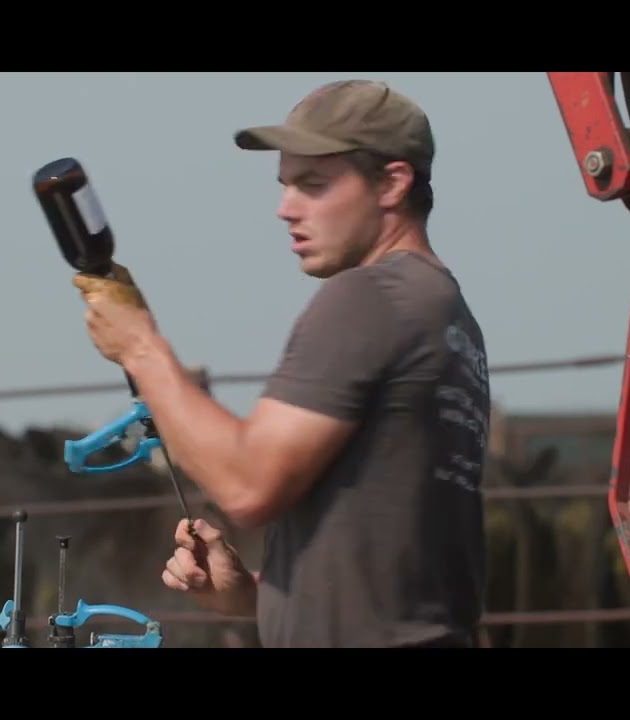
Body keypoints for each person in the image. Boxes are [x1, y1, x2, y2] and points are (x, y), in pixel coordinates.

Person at [72, 79, 491, 648]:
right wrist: (253, 596)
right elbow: (396, 573)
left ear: (393, 183)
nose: (284, 208)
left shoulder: (369, 297)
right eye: (285, 184)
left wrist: (140, 348)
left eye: (313, 185)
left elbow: (247, 488)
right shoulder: (446, 314)